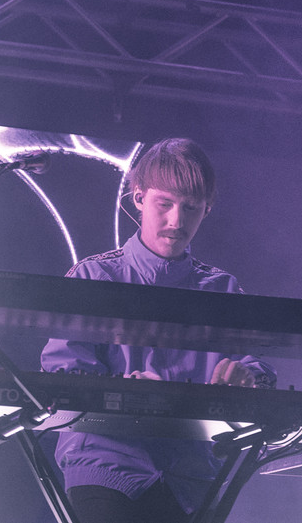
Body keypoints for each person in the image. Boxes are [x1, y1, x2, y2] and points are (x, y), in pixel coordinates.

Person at [40, 138, 276, 523]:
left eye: (191, 207)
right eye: (164, 204)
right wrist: (123, 392)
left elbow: (259, 369)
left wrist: (248, 378)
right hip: (107, 467)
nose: (177, 221)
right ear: (138, 198)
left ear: (207, 209)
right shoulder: (93, 276)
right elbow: (64, 374)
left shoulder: (223, 289)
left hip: (192, 478)